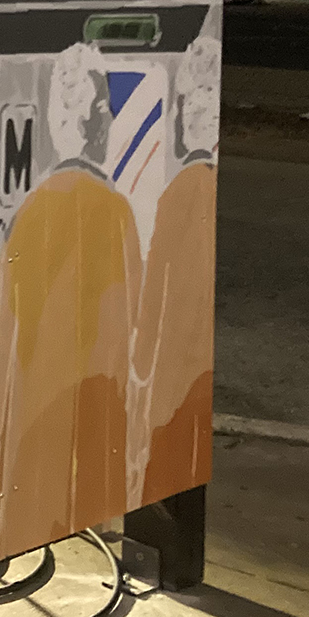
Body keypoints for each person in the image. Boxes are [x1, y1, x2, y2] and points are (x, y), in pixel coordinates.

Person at [0, 41, 138, 566]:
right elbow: (121, 332)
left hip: (32, 414)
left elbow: (4, 342)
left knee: (35, 520)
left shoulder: (33, 211)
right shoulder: (115, 211)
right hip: (86, 409)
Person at [133, 35, 219, 506]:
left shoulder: (181, 190)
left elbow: (158, 293)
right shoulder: (202, 183)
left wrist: (139, 361)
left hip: (173, 366)